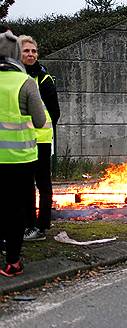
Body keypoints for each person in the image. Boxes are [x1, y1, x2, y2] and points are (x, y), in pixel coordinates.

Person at [0, 30, 46, 277]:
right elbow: (40, 120)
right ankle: (12, 261)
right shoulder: (25, 82)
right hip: (20, 160)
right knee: (16, 209)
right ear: (18, 55)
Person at [18, 35, 59, 242]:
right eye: (26, 51)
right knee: (25, 185)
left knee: (43, 183)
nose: (31, 54)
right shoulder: (15, 77)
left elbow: (55, 111)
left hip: (41, 139)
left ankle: (41, 226)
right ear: (18, 53)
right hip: (22, 139)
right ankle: (28, 224)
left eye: (33, 51)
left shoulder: (44, 78)